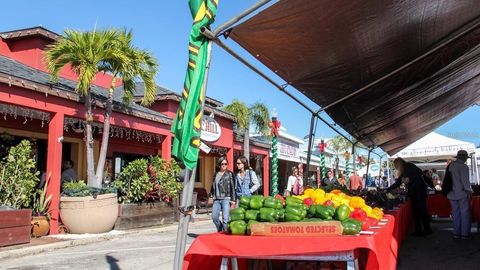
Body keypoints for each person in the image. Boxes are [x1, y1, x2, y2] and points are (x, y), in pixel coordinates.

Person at [388, 158, 431, 236]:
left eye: (396, 165)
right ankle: (419, 230)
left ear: (399, 163)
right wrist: (389, 188)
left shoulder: (409, 166)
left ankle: (427, 229)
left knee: (422, 211)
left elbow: (419, 172)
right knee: (416, 212)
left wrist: (410, 178)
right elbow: (399, 182)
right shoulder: (404, 170)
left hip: (419, 191)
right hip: (414, 192)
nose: (396, 167)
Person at [447, 150, 473, 239]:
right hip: (462, 193)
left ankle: (456, 233)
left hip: (451, 193)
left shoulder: (451, 166)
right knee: (464, 213)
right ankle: (464, 234)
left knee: (455, 214)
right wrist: (469, 192)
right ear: (464, 158)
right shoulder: (463, 167)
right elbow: (465, 182)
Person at [210, 157, 236, 232]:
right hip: (216, 199)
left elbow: (232, 187)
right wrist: (211, 194)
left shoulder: (230, 174)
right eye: (222, 164)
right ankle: (220, 229)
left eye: (225, 164)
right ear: (219, 164)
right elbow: (213, 185)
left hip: (226, 198)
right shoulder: (216, 173)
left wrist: (233, 200)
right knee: (214, 218)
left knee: (226, 219)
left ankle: (226, 234)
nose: (224, 165)